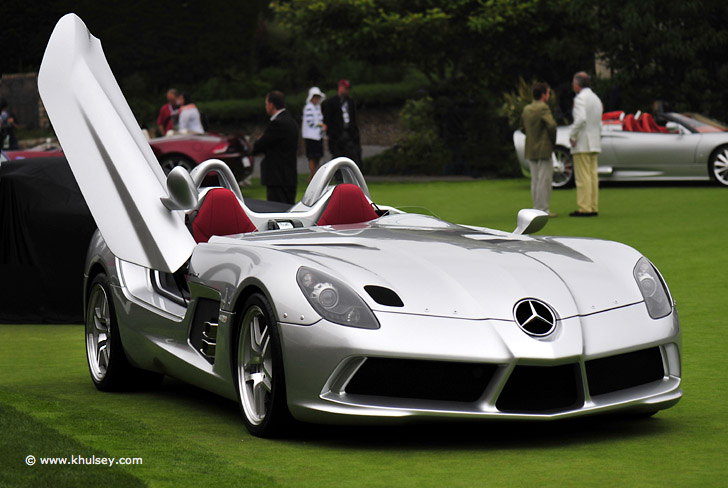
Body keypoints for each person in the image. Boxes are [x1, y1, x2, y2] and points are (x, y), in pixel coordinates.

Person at [252, 91, 299, 204]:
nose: (266, 107)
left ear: (271, 105)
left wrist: (259, 140)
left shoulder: (277, 124)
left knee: (277, 210)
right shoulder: (292, 122)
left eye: (266, 104)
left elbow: (258, 146)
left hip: (277, 177)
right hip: (290, 175)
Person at [568, 71, 603, 217]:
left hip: (583, 141)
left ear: (577, 84)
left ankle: (585, 208)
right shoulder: (596, 98)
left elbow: (581, 119)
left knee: (583, 177)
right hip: (594, 141)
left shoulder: (580, 98)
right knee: (592, 175)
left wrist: (572, 135)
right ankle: (593, 206)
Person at [521, 82, 557, 217]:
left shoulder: (526, 109)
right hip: (544, 147)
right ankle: (543, 210)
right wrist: (552, 140)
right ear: (543, 95)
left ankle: (536, 208)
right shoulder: (543, 108)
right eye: (548, 93)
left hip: (530, 147)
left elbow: (522, 127)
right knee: (545, 179)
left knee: (535, 179)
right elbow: (552, 125)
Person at [323, 79, 361, 168]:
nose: (346, 91)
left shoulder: (350, 102)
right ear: (340, 88)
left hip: (349, 132)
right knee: (338, 156)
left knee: (352, 154)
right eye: (345, 88)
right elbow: (327, 119)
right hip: (337, 134)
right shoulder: (331, 102)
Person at [302, 86, 327, 180]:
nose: (317, 99)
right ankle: (312, 176)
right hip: (311, 136)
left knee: (318, 156)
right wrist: (321, 125)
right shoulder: (308, 107)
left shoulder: (317, 107)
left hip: (317, 136)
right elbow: (311, 122)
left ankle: (315, 174)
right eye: (315, 97)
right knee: (312, 156)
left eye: (318, 97)